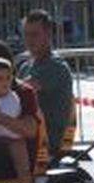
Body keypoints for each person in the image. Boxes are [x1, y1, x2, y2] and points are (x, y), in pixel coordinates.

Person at [17, 9, 75, 155]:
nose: (29, 40)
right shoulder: (26, 66)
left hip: (46, 139)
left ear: (48, 34)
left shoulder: (55, 67)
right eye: (26, 35)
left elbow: (21, 90)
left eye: (34, 34)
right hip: (26, 132)